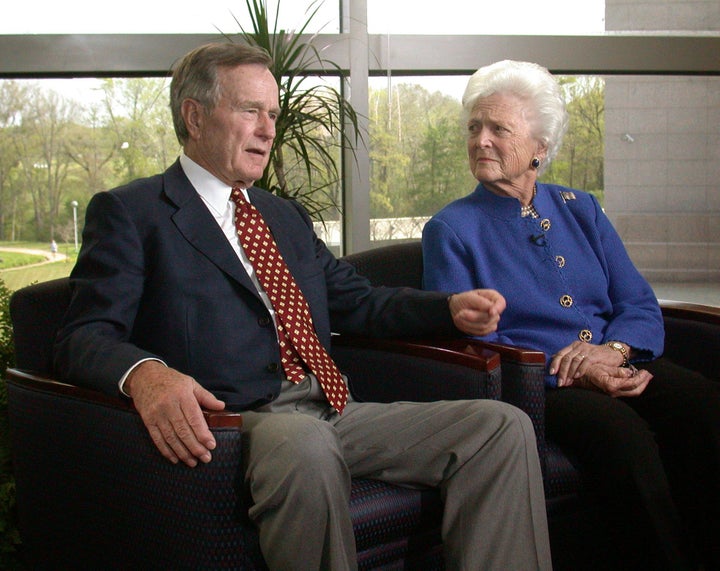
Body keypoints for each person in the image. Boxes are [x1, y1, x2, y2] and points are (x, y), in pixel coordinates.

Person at [53, 43, 552, 571]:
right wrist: (147, 375)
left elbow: (356, 301)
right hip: (241, 421)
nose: (268, 130)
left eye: (272, 114)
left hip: (335, 410)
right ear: (194, 116)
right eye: (250, 111)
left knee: (501, 427)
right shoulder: (134, 213)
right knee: (306, 444)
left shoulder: (282, 216)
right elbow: (83, 336)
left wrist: (447, 309)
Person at [422, 59, 720, 571]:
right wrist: (572, 369)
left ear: (540, 147)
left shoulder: (581, 208)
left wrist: (611, 352)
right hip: (541, 386)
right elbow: (458, 343)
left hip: (613, 359)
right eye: (474, 128)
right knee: (625, 443)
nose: (481, 141)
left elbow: (639, 304)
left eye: (498, 129)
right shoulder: (451, 229)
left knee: (703, 404)